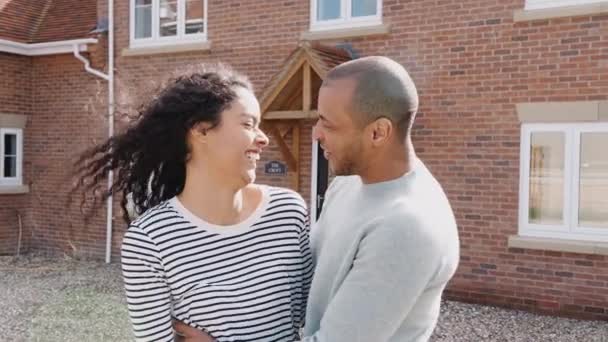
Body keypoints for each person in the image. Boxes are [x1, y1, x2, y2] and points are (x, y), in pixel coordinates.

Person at [173, 56, 460, 342]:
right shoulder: (348, 184)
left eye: (328, 124)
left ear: (378, 132)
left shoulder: (407, 226)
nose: (316, 134)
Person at [73, 65, 313, 342]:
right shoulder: (149, 241)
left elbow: (314, 322)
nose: (263, 138)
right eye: (248, 124)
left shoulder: (288, 212)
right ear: (200, 131)